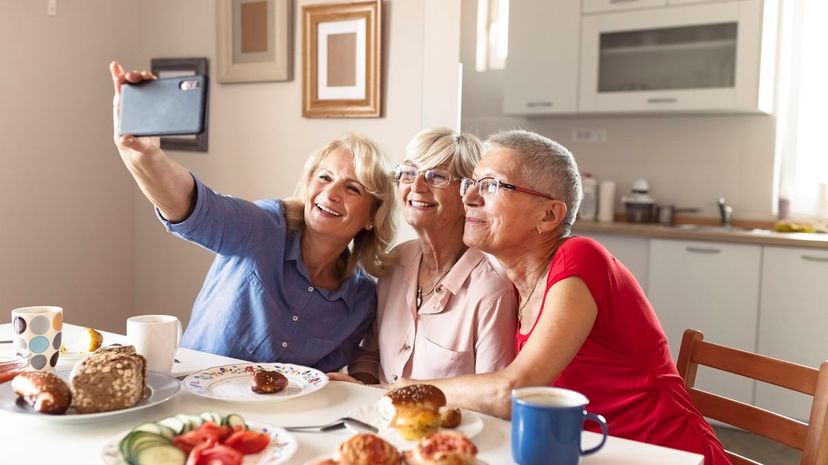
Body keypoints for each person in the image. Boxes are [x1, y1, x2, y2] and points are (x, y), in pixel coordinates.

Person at [381, 130, 730, 464]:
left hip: (665, 454)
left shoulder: (581, 258)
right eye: (472, 183)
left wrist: (403, 388)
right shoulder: (514, 286)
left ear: (548, 215)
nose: (469, 197)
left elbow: (512, 392)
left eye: (490, 185)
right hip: (589, 452)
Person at [109, 62, 397, 372]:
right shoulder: (263, 226)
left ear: (372, 216)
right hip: (195, 398)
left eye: (352, 188)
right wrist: (147, 158)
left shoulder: (361, 299)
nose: (331, 193)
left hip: (278, 418)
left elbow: (330, 378)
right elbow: (193, 208)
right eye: (325, 177)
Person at [346, 128, 517, 384]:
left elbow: (491, 399)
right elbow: (370, 357)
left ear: (469, 192)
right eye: (409, 173)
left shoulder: (491, 290)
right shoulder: (396, 262)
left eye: (437, 176)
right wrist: (362, 392)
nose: (416, 186)